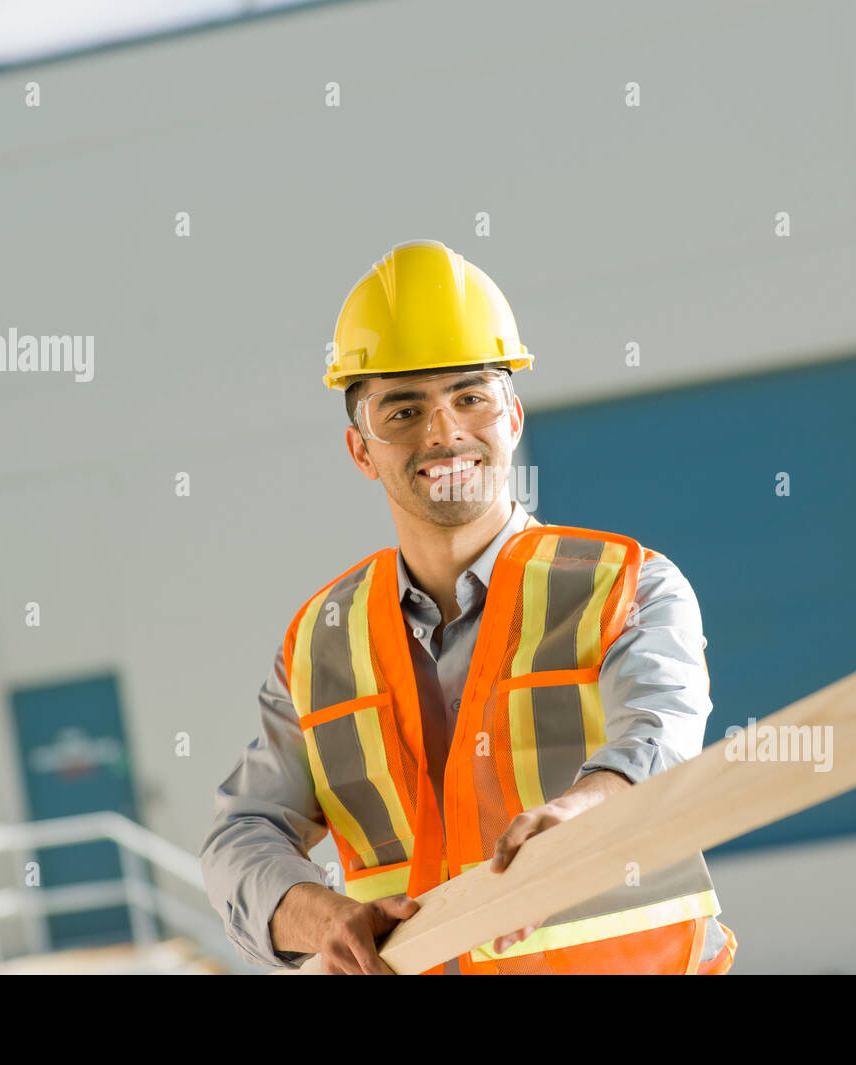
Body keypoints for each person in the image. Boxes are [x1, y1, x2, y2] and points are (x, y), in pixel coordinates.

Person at [199, 239, 736, 975]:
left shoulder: (625, 586)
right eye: (403, 409)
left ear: (512, 416)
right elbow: (240, 835)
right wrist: (325, 917)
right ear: (361, 451)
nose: (444, 432)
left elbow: (661, 734)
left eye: (470, 397)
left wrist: (580, 813)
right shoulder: (321, 643)